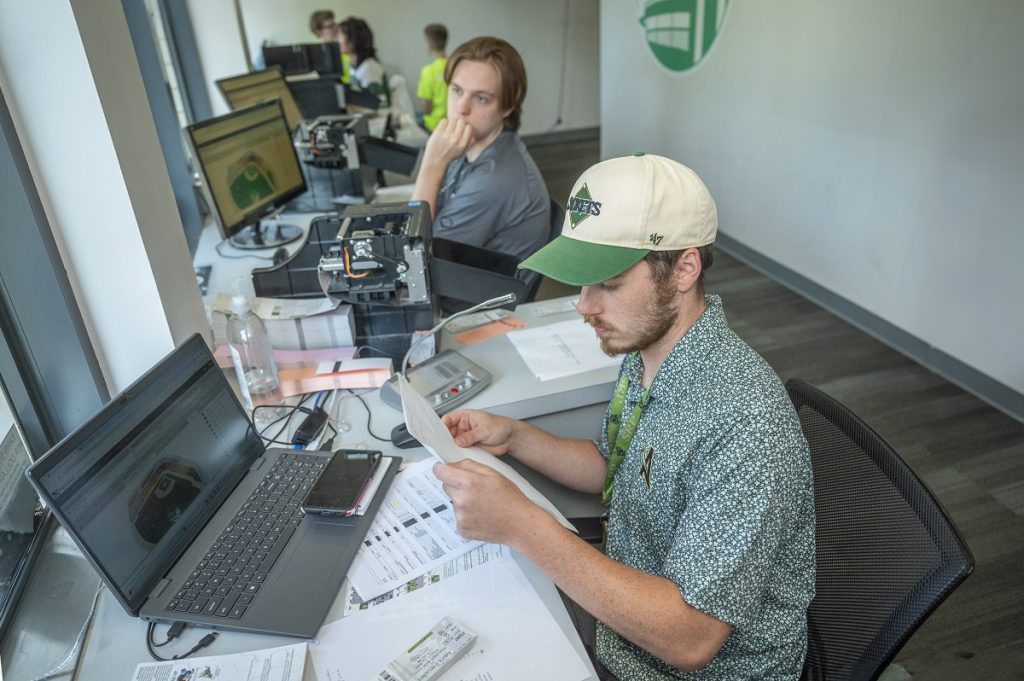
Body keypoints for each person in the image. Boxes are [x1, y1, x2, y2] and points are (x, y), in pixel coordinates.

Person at [433, 154, 816, 680]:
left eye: (608, 285)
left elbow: (690, 638)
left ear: (684, 269)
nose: (583, 305)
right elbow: (615, 463)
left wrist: (524, 527)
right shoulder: (649, 350)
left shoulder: (747, 424)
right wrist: (515, 437)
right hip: (623, 620)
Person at [411, 36, 549, 273]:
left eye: (481, 98)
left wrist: (432, 164)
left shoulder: (495, 180)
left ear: (508, 106)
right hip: (454, 282)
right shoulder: (472, 147)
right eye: (456, 91)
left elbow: (413, 260)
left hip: (466, 304)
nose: (461, 108)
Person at [338, 17, 387, 100]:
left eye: (339, 36)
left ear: (353, 40)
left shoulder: (369, 68)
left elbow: (377, 105)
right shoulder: (353, 68)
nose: (337, 41)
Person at [416, 23, 449, 132]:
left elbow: (426, 108)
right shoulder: (455, 65)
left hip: (434, 125)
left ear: (429, 43)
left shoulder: (428, 71)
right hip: (452, 122)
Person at [308, 9, 350, 83]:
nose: (336, 28)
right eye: (330, 26)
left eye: (335, 24)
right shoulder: (319, 58)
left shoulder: (347, 46)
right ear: (318, 32)